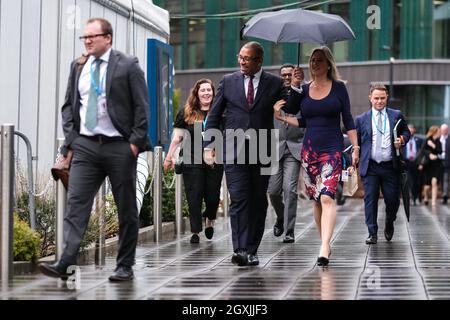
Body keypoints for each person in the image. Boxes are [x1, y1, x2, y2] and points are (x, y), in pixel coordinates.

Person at [39, 18, 150, 281]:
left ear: (108, 38)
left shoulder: (127, 65)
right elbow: (68, 106)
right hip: (86, 147)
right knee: (76, 205)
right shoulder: (78, 66)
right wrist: (72, 139)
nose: (87, 41)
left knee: (126, 208)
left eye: (93, 36)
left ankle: (124, 266)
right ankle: (66, 261)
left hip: (118, 147)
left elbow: (142, 107)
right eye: (84, 37)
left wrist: (134, 143)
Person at [203, 41, 287, 267]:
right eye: (240, 57)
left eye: (247, 58)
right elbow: (214, 114)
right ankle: (240, 249)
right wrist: (209, 145)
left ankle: (252, 249)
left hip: (263, 150)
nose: (241, 61)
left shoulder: (275, 83)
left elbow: (292, 107)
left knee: (258, 200)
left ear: (259, 61)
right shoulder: (228, 81)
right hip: (233, 149)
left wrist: (295, 86)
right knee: (239, 198)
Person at [277, 46, 359, 267]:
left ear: (328, 63)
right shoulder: (303, 89)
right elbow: (300, 117)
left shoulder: (339, 88)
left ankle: (324, 246)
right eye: (312, 60)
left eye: (319, 60)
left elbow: (348, 119)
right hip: (309, 151)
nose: (315, 64)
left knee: (327, 197)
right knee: (316, 201)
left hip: (332, 150)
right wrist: (293, 87)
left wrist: (355, 147)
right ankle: (325, 241)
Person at [163, 79, 223, 243]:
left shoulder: (219, 112)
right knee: (194, 195)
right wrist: (169, 157)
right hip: (192, 159)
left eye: (209, 90)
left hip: (214, 161)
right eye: (202, 90)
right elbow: (177, 137)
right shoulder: (186, 113)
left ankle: (209, 218)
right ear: (196, 93)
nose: (206, 93)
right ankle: (195, 230)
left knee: (212, 197)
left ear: (213, 93)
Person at [355, 83, 410, 245]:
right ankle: (372, 233)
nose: (379, 101)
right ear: (370, 98)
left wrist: (402, 139)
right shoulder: (361, 119)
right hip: (370, 166)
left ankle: (389, 220)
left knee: (392, 200)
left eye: (382, 98)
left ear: (387, 98)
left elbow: (406, 132)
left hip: (389, 166)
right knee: (370, 199)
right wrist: (354, 155)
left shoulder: (396, 115)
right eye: (376, 98)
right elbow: (356, 141)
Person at [268, 64, 304, 243]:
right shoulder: (273, 93)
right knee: (273, 191)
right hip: (275, 147)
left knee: (289, 190)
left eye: (290, 74)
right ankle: (281, 217)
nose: (287, 78)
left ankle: (289, 230)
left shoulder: (303, 93)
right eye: (283, 75)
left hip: (294, 147)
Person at [418, 125, 442, 206]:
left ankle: (433, 201)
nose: (440, 133)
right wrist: (429, 154)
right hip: (428, 164)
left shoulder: (438, 141)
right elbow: (422, 150)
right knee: (427, 186)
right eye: (439, 131)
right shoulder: (427, 139)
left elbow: (440, 151)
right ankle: (426, 197)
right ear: (434, 132)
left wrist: (433, 146)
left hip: (436, 164)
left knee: (434, 183)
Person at [403, 124, 424, 205]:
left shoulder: (419, 140)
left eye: (412, 129)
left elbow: (422, 152)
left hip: (417, 163)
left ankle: (417, 197)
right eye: (409, 129)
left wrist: (421, 163)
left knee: (417, 182)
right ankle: (411, 198)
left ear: (414, 130)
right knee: (409, 181)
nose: (411, 131)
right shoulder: (403, 140)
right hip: (407, 163)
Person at [439, 124, 449, 204]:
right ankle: (443, 193)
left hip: (447, 162)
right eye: (443, 130)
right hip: (438, 162)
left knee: (445, 179)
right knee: (440, 179)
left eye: (446, 130)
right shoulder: (438, 139)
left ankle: (445, 195)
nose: (444, 131)